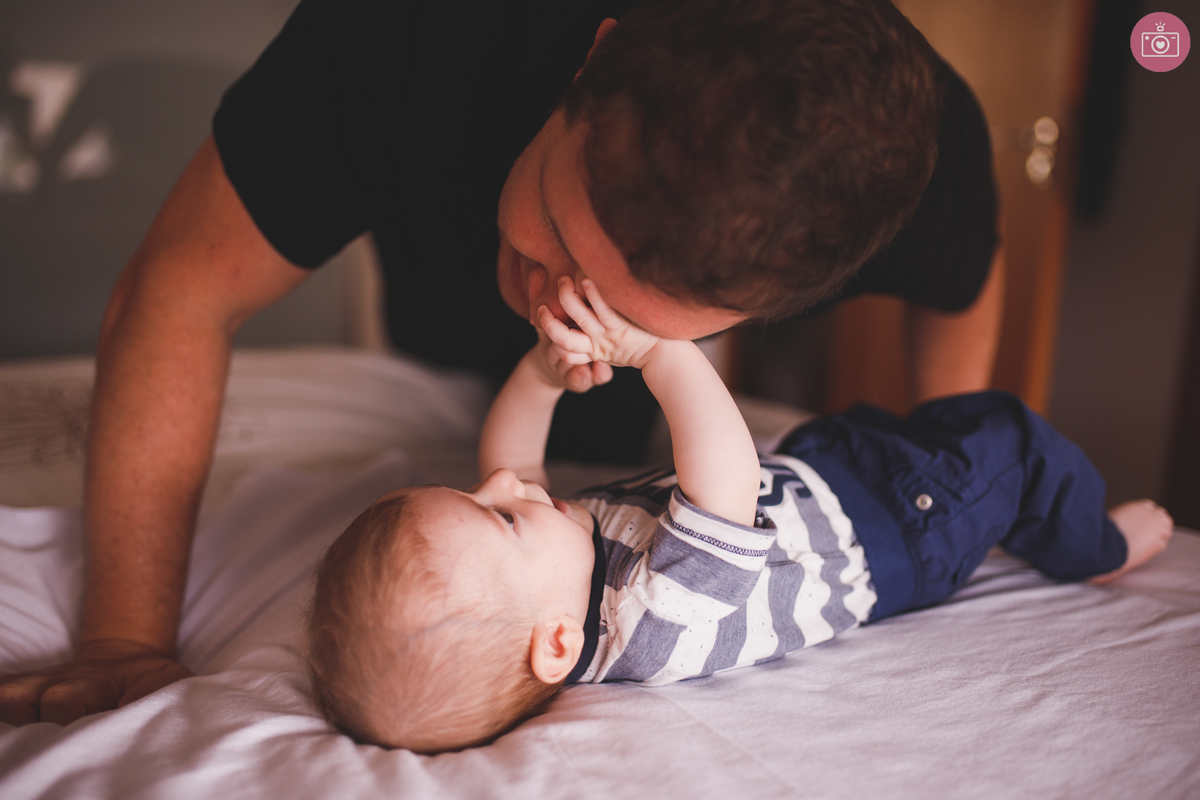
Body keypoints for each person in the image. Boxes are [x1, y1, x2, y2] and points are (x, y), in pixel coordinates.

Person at [0, 0, 1007, 725]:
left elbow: (964, 284)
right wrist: (123, 637)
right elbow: (183, 282)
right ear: (591, 65)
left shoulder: (906, 152)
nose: (561, 299)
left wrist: (955, 449)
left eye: (620, 304)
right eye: (556, 230)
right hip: (439, 316)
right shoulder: (405, 31)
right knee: (462, 349)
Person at [306, 277, 1172, 754]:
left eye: (475, 496)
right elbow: (722, 477)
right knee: (1007, 440)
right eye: (501, 519)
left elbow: (509, 457)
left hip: (830, 472)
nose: (504, 488)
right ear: (558, 645)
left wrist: (541, 370)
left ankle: (1029, 516)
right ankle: (1090, 543)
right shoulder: (651, 619)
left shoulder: (547, 577)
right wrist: (659, 354)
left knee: (927, 426)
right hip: (903, 530)